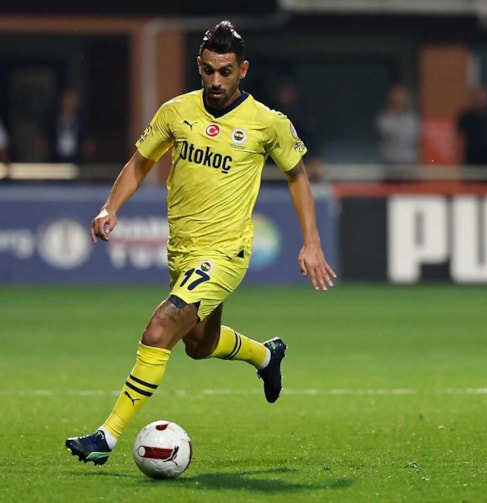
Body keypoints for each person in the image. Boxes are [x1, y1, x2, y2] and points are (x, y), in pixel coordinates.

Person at [65, 20, 336, 466]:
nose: (216, 80)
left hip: (226, 253)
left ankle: (106, 437)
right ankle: (266, 356)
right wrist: (109, 207)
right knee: (199, 345)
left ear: (242, 70)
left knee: (159, 330)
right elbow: (140, 162)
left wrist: (312, 242)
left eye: (225, 71)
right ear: (198, 66)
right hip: (182, 252)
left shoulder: (267, 123)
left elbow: (297, 175)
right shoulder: (176, 111)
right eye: (208, 70)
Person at [272, 81, 323, 182]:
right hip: (272, 177)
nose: (285, 95)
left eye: (288, 91)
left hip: (300, 174)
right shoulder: (269, 117)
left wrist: (313, 159)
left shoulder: (302, 119)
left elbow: (308, 143)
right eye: (282, 92)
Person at [375, 84, 420, 180]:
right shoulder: (384, 119)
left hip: (409, 165)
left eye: (402, 100)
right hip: (390, 165)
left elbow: (416, 139)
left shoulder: (413, 120)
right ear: (391, 101)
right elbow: (391, 134)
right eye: (397, 100)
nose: (400, 103)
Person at [47, 89, 94, 163]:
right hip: (55, 160)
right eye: (68, 98)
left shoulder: (83, 121)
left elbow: (88, 143)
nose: (70, 102)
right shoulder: (51, 119)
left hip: (77, 161)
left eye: (73, 98)